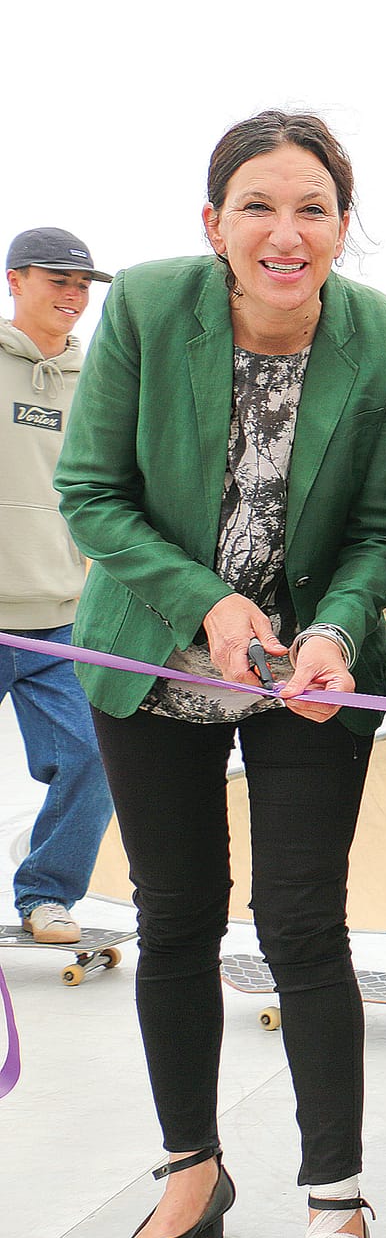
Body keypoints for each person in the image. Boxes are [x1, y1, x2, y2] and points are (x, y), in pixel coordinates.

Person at [53, 110, 386, 1238]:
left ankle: (335, 1196)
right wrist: (209, 604)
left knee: (304, 924)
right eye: (257, 205)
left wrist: (331, 631)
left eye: (312, 206)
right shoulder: (151, 308)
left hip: (306, 673)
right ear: (211, 223)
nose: (286, 230)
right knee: (174, 920)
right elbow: (92, 494)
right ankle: (191, 1176)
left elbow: (380, 530)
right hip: (155, 656)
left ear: (341, 225)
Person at [3, 227, 115, 944]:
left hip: (58, 617)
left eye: (82, 285)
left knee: (93, 755)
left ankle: (46, 891)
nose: (73, 296)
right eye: (57, 280)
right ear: (15, 280)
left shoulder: (96, 380)